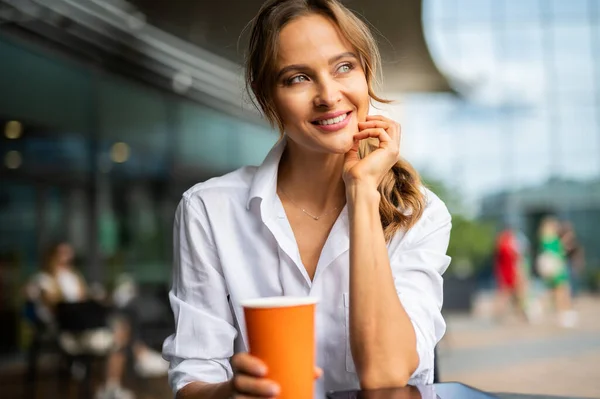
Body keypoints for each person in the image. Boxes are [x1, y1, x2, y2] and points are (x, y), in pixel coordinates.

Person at [162, 1, 452, 398]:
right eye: (298, 78)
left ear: (367, 74)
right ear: (269, 99)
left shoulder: (419, 213)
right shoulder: (209, 210)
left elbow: (384, 375)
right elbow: (194, 376)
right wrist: (230, 392)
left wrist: (363, 192)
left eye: (344, 67)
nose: (329, 95)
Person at [26, 242, 168, 399]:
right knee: (118, 331)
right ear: (52, 255)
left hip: (84, 325)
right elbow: (56, 308)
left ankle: (117, 380)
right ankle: (135, 362)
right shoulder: (43, 280)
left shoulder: (73, 276)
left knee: (120, 324)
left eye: (68, 253)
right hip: (65, 331)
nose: (67, 257)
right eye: (62, 253)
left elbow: (81, 301)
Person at [536, 217, 577, 328]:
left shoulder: (551, 238)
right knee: (560, 291)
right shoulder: (549, 238)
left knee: (557, 292)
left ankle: (561, 314)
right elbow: (555, 252)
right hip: (556, 269)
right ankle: (563, 315)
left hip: (557, 268)